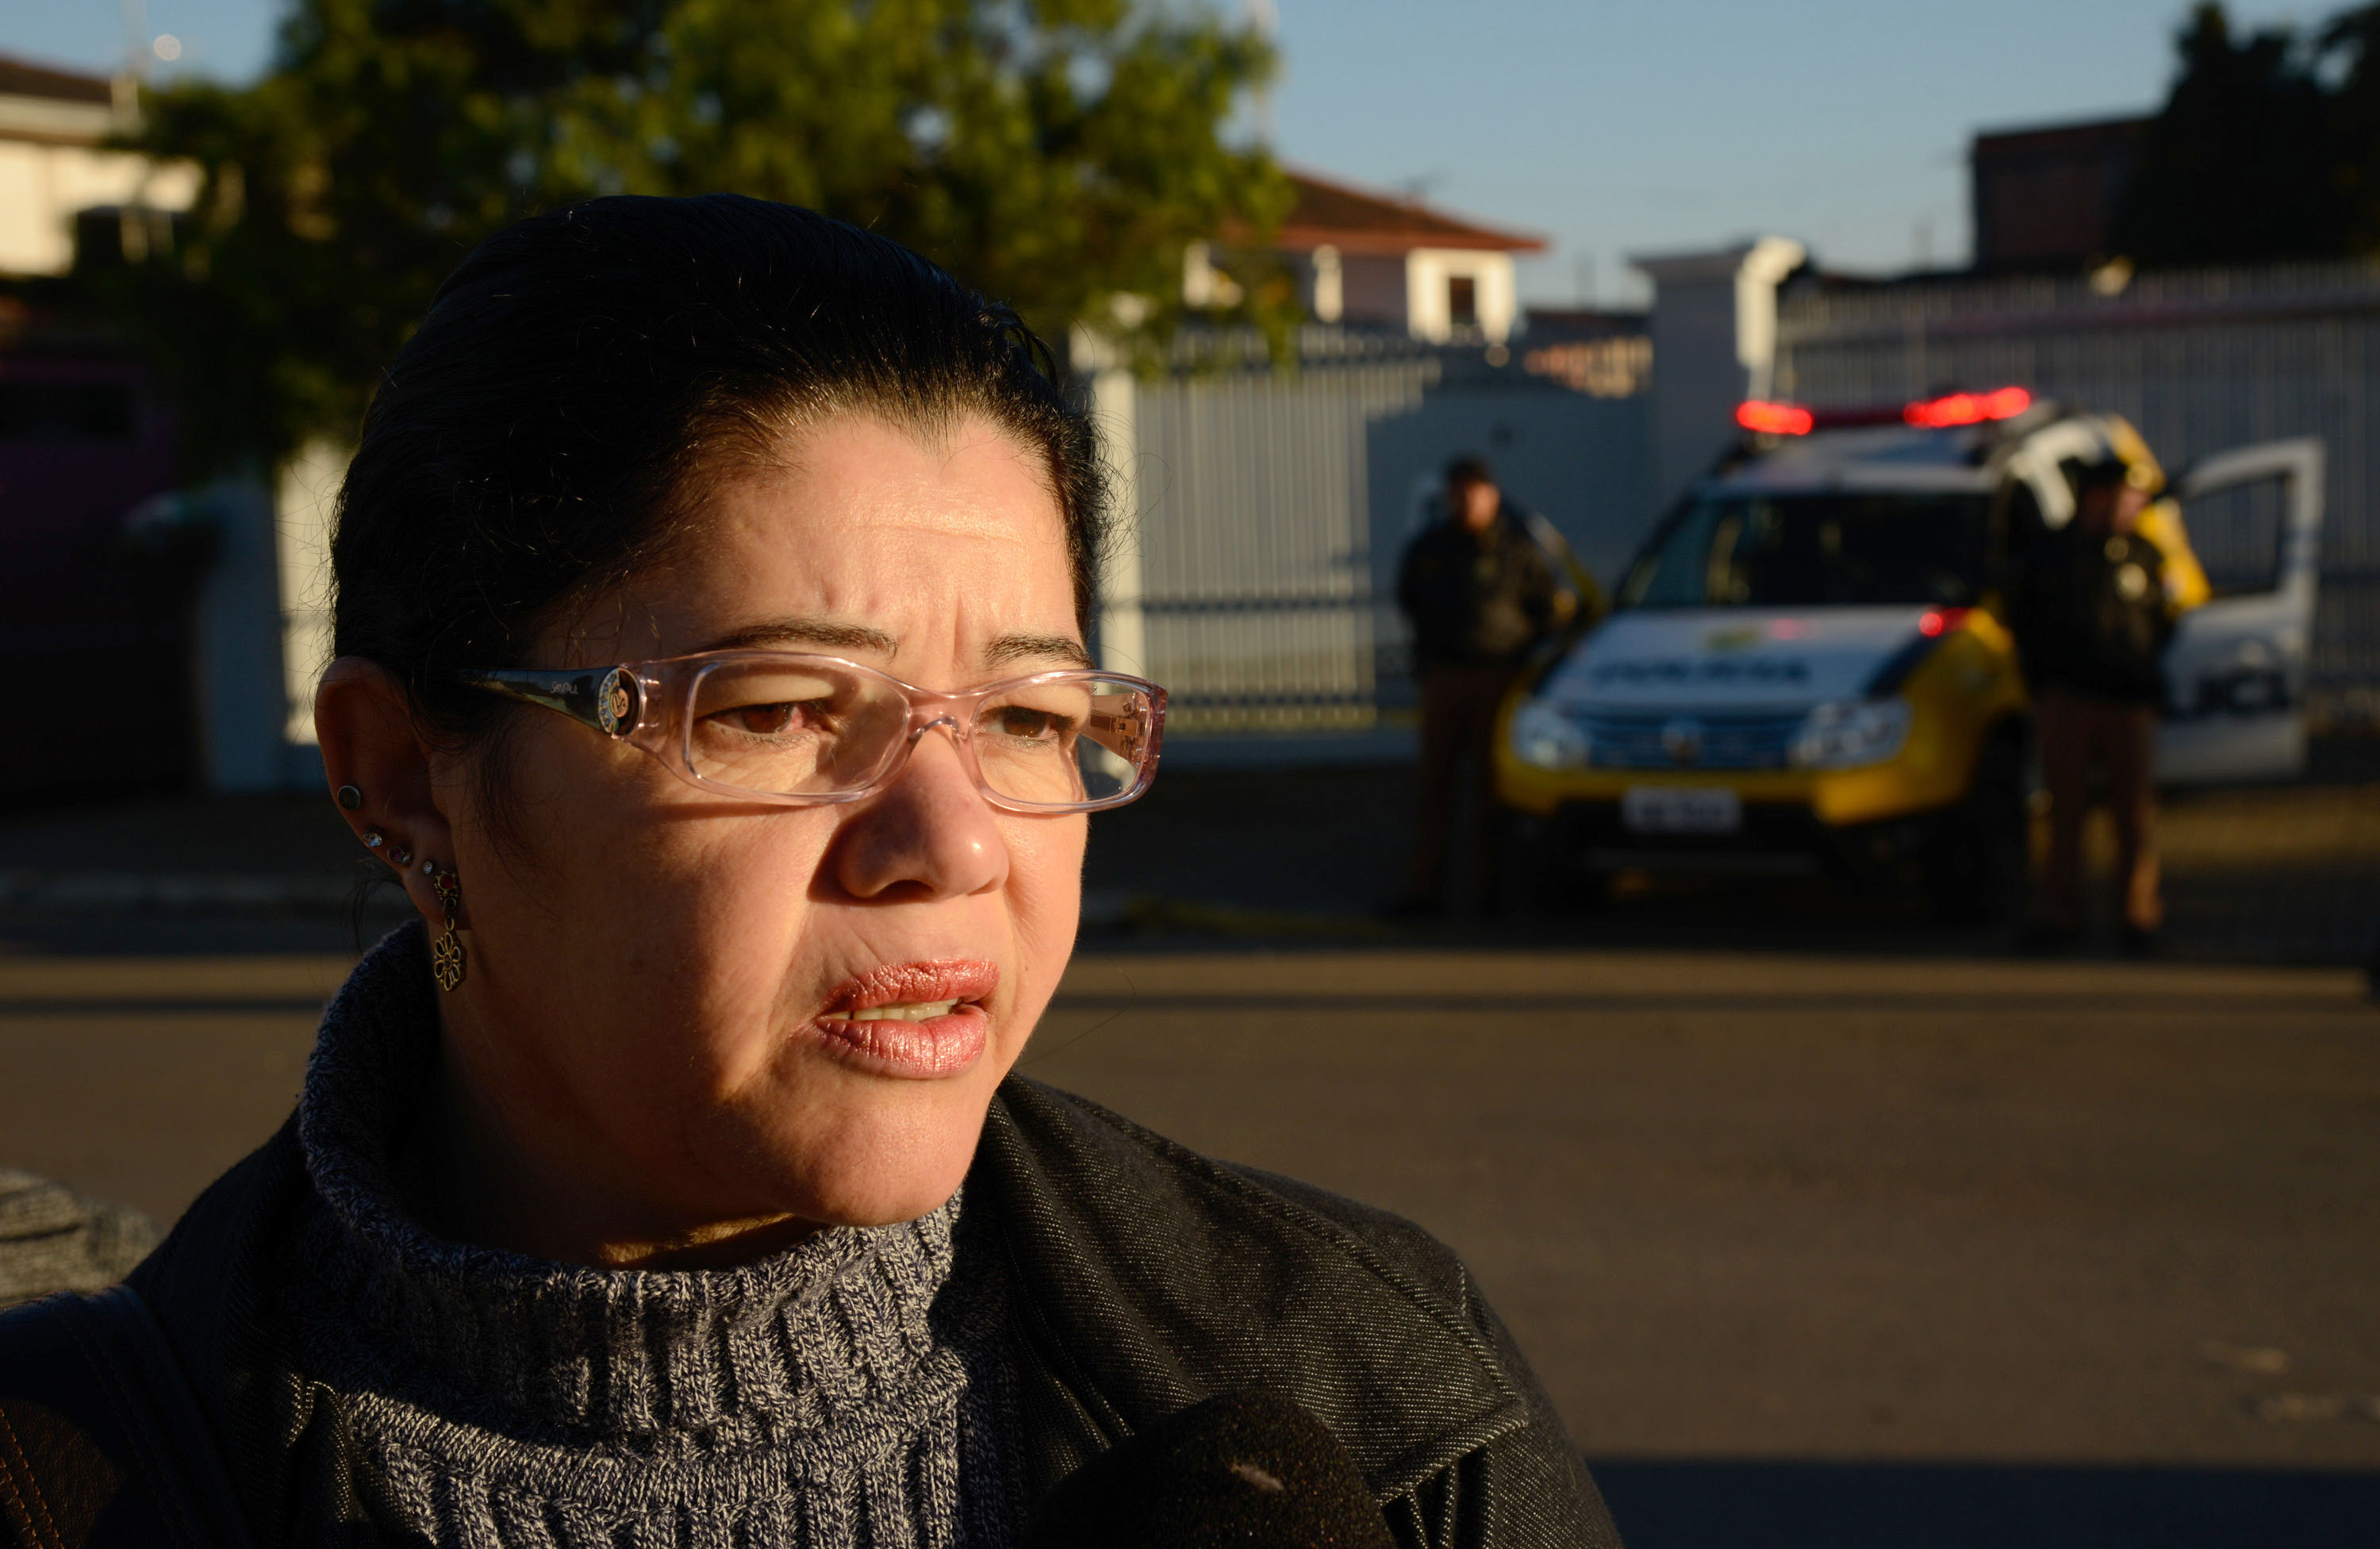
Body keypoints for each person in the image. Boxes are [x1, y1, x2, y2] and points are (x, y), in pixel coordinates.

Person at [0, 198, 1614, 1549]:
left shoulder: (1390, 1400)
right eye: (776, 710)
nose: (960, 842)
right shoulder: (68, 1476)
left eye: (1036, 718)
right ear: (409, 783)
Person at [1391, 456, 1593, 917]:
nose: (1465, 501)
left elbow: (1549, 609)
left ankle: (1491, 893)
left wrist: (1524, 652)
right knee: (1435, 789)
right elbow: (1410, 599)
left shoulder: (1516, 549)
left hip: (1498, 679)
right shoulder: (1430, 548)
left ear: (1492, 495)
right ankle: (1424, 891)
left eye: (1474, 492)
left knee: (1493, 790)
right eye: (1457, 492)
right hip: (1445, 676)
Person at [2009, 455, 2176, 953]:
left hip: (2128, 702)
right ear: (2096, 496)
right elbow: (2027, 621)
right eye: (2124, 495)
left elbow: (2164, 619)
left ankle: (2137, 917)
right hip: (2071, 700)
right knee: (2065, 812)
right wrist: (2047, 684)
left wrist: (2142, 670)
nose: (2133, 505)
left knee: (2134, 813)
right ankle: (2061, 914)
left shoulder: (2144, 553)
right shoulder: (2055, 554)